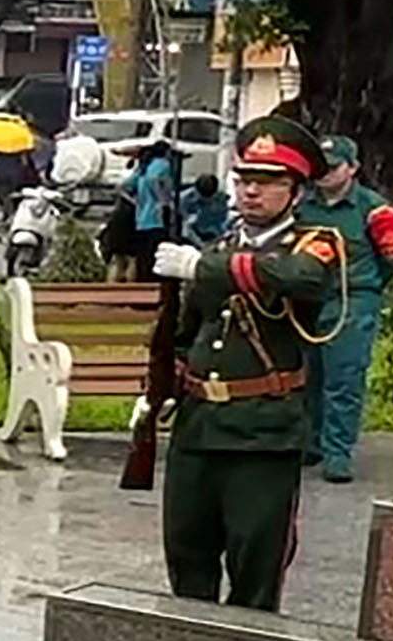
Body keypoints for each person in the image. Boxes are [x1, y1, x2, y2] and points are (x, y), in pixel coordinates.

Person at [148, 116, 346, 613]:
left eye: (268, 181)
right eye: (244, 180)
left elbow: (300, 279)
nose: (251, 191)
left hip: (263, 432)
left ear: (296, 191)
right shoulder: (219, 248)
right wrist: (160, 388)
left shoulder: (314, 246)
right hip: (199, 427)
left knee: (256, 564)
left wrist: (202, 267)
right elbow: (187, 334)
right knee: (187, 555)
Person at [295, 136, 393, 484]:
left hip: (353, 300)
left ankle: (338, 453)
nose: (325, 174)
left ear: (352, 168)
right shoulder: (302, 205)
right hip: (307, 300)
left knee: (344, 378)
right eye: (320, 168)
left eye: (333, 167)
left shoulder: (373, 210)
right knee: (306, 376)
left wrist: (367, 286)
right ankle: (309, 442)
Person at [120, 139, 183, 276]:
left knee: (143, 258)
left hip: (141, 219)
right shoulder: (163, 165)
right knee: (156, 257)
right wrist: (163, 200)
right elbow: (159, 181)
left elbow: (125, 186)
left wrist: (135, 201)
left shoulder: (144, 167)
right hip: (157, 219)